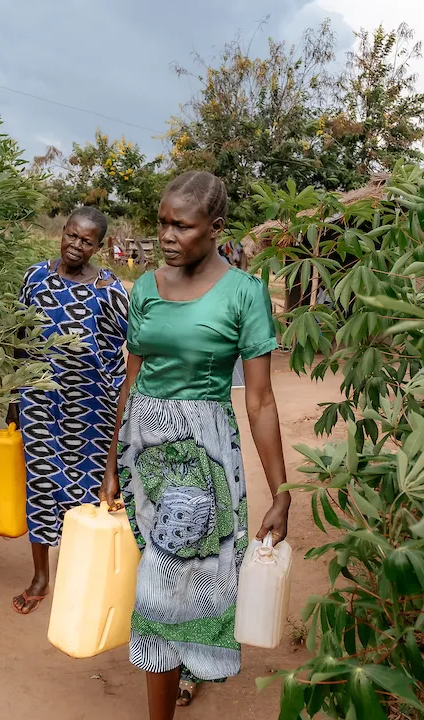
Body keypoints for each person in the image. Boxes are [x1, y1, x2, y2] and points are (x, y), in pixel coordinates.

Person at [100, 171, 291, 719]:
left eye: (180, 225)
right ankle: (177, 668)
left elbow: (259, 401)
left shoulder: (244, 294)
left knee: (165, 583)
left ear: (216, 228)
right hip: (143, 449)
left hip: (200, 458)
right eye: (162, 222)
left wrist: (281, 491)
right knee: (162, 574)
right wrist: (113, 463)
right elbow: (130, 381)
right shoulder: (144, 289)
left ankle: (162, 703)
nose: (167, 235)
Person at [7, 206, 129, 615]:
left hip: (93, 408)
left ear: (98, 246)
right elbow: (20, 335)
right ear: (62, 232)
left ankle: (83, 584)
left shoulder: (111, 291)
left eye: (87, 240)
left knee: (89, 494)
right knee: (41, 486)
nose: (76, 245)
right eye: (71, 235)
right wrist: (13, 396)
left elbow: (133, 352)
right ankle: (41, 578)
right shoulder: (35, 278)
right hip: (40, 400)